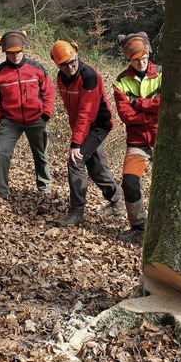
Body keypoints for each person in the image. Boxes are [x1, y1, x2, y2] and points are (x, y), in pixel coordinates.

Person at [50, 40, 124, 227]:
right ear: (57, 64)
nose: (70, 66)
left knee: (75, 161)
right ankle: (116, 202)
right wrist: (76, 132)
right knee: (97, 168)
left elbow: (87, 113)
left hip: (98, 125)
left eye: (72, 61)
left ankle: (77, 211)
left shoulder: (89, 75)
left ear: (77, 55)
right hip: (83, 127)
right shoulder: (61, 77)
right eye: (64, 64)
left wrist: (76, 143)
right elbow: (71, 109)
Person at [0, 30, 55, 199]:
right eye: (11, 53)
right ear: (5, 52)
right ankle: (0, 189)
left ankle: (44, 188)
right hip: (10, 121)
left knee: (41, 155)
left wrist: (46, 114)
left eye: (18, 52)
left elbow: (49, 91)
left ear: (23, 50)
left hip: (36, 119)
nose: (15, 56)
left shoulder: (36, 68)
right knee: (2, 151)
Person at [112, 32, 161, 243]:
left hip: (162, 138)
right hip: (137, 142)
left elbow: (167, 105)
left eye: (144, 58)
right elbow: (126, 116)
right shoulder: (120, 83)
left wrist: (139, 103)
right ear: (128, 60)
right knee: (130, 182)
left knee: (168, 182)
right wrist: (152, 111)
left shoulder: (162, 74)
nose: (141, 63)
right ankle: (139, 226)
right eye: (136, 60)